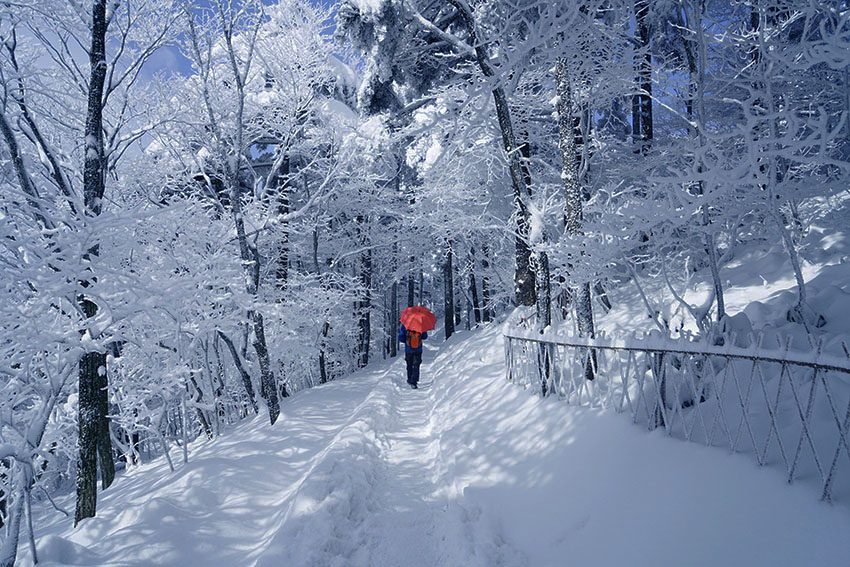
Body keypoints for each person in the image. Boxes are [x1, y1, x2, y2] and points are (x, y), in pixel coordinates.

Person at [398, 324, 428, 388]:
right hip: (418, 349)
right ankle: (414, 381)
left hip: (408, 350)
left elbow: (401, 338)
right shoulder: (420, 324)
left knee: (409, 365)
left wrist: (407, 340)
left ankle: (409, 379)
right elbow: (425, 336)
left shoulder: (405, 325)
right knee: (416, 365)